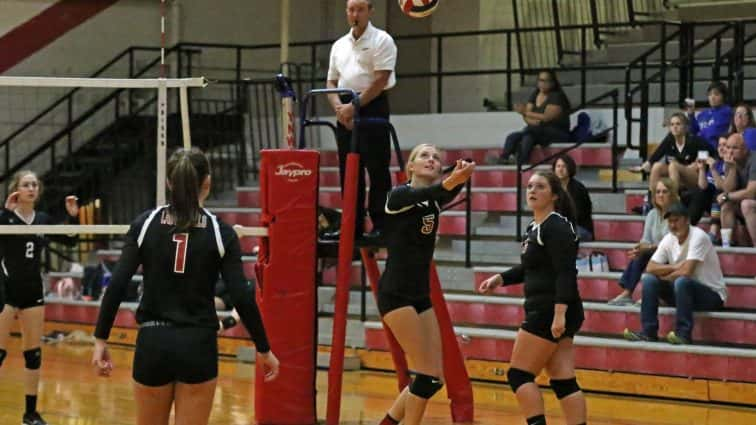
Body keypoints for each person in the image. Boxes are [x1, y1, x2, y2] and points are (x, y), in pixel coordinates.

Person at [91, 148, 279, 425]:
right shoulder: (220, 232)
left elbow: (117, 284)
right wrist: (264, 349)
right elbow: (241, 295)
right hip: (197, 345)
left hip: (153, 343)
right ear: (207, 183)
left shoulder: (145, 224)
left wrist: (100, 339)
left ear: (169, 183)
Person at [375, 144, 474, 425]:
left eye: (436, 158)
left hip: (420, 294)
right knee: (426, 375)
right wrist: (453, 180)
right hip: (396, 294)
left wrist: (461, 176)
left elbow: (440, 193)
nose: (431, 159)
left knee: (435, 379)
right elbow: (434, 191)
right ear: (411, 166)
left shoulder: (431, 201)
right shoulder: (399, 196)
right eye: (424, 156)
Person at [478, 171, 586, 425]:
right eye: (529, 186)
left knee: (519, 375)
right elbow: (531, 268)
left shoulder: (556, 225)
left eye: (540, 186)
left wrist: (559, 313)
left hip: (550, 309)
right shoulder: (535, 227)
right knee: (562, 380)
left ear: (555, 195)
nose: (532, 191)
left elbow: (566, 272)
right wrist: (500, 278)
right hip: (551, 308)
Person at [0, 170, 79, 425]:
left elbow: (71, 242)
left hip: (32, 291)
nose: (31, 188)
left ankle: (30, 414)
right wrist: (5, 212)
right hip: (6, 290)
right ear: (16, 190)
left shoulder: (43, 219)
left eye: (34, 184)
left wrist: (73, 218)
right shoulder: (6, 219)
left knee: (33, 354)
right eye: (26, 184)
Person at [324, 0, 397, 242]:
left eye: (360, 9)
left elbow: (380, 80)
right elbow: (331, 82)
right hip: (344, 105)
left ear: (370, 11)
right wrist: (339, 108)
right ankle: (351, 226)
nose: (355, 14)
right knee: (349, 170)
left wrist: (353, 108)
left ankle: (381, 225)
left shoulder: (382, 40)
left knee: (377, 168)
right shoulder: (338, 45)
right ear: (347, 12)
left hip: (371, 104)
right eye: (351, 9)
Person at [624, 202, 727, 345]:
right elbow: (651, 267)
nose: (673, 225)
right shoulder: (668, 238)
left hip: (712, 296)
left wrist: (666, 275)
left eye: (676, 220)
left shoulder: (699, 237)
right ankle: (648, 332)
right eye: (670, 221)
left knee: (682, 281)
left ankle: (683, 334)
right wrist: (674, 267)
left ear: (687, 220)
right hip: (683, 292)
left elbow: (686, 271)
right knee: (649, 280)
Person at [608, 178, 678, 305]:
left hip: (673, 256)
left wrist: (648, 248)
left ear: (672, 194)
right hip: (655, 252)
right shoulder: (652, 214)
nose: (660, 195)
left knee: (648, 254)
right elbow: (645, 239)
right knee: (640, 254)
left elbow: (671, 243)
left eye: (664, 192)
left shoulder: (678, 215)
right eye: (658, 192)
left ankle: (657, 297)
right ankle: (627, 293)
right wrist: (640, 247)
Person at [630, 112, 715, 217]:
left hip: (694, 177)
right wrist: (644, 166)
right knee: (657, 167)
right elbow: (655, 156)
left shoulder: (694, 141)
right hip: (675, 175)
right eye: (672, 124)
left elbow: (713, 152)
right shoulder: (670, 139)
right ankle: (651, 204)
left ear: (685, 127)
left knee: (673, 165)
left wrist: (699, 163)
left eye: (678, 124)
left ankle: (673, 203)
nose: (674, 127)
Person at [499, 70, 571, 165]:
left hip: (557, 132)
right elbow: (527, 116)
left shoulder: (557, 96)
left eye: (546, 81)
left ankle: (521, 161)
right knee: (513, 136)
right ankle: (504, 158)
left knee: (529, 133)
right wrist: (533, 121)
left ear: (553, 82)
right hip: (537, 130)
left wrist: (525, 112)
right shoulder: (536, 93)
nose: (543, 84)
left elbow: (546, 117)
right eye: (540, 80)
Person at [717, 132, 756, 247]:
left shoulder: (754, 160)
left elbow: (751, 193)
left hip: (751, 202)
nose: (730, 151)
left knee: (746, 204)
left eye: (735, 148)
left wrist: (726, 196)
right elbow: (728, 189)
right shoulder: (731, 162)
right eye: (728, 147)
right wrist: (732, 168)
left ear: (745, 149)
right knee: (726, 205)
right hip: (749, 203)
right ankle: (727, 245)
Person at [552, 154, 593, 241]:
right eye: (558, 166)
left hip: (580, 228)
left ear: (570, 168)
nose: (560, 169)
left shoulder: (578, 188)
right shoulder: (553, 188)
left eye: (564, 166)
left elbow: (578, 215)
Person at [686, 81, 733, 150]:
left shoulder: (726, 111)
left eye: (716, 94)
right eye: (710, 94)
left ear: (724, 96)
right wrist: (691, 115)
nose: (712, 97)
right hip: (700, 150)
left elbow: (713, 132)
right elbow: (692, 131)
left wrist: (698, 135)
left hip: (714, 150)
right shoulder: (702, 114)